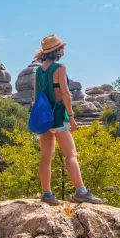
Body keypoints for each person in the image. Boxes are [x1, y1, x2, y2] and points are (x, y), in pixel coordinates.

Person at [32, 34, 104, 206]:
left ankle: (47, 194)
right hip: (57, 116)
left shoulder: (38, 70)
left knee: (46, 157)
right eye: (62, 47)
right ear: (57, 51)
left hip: (43, 117)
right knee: (71, 154)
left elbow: (35, 96)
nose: (64, 50)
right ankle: (81, 191)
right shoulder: (60, 67)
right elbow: (65, 93)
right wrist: (71, 117)